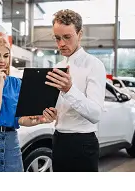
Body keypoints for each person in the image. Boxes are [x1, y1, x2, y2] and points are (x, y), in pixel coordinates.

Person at [0, 35, 57, 172]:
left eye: (6, 56)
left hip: (11, 144)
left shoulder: (16, 83)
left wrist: (41, 119)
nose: (2, 60)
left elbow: (19, 119)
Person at [45, 9, 106, 172]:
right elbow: (57, 109)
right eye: (57, 38)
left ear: (79, 34)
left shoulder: (94, 65)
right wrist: (50, 114)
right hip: (58, 140)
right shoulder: (57, 67)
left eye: (67, 37)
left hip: (83, 145)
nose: (61, 44)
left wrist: (69, 89)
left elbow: (95, 114)